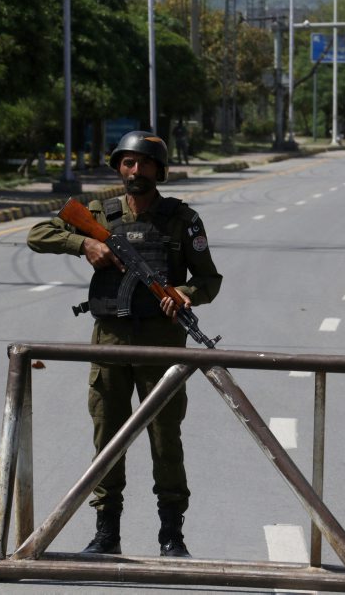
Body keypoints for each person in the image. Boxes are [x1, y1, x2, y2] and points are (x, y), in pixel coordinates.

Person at [27, 131, 222, 557]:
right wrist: (84, 243)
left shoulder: (181, 219)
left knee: (165, 439)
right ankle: (106, 533)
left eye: (145, 163)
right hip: (110, 341)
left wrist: (184, 294)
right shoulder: (100, 212)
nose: (136, 170)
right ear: (118, 167)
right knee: (107, 438)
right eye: (128, 163)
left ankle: (171, 535)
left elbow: (209, 279)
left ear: (159, 170)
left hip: (161, 344)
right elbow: (38, 234)